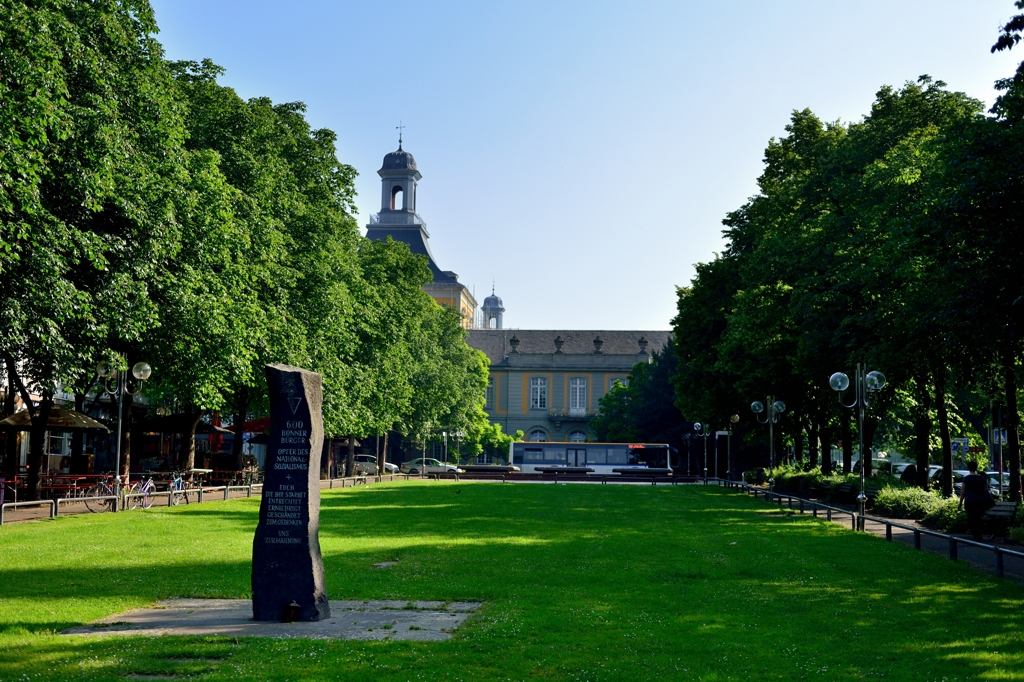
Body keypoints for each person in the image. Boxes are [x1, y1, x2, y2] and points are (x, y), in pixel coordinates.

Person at [958, 460, 994, 541]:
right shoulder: (982, 479)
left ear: (968, 468)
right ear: (976, 468)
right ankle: (979, 535)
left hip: (969, 501)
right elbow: (985, 490)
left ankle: (975, 535)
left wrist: (960, 503)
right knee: (978, 517)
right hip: (980, 502)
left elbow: (963, 492)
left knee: (972, 518)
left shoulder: (966, 479)